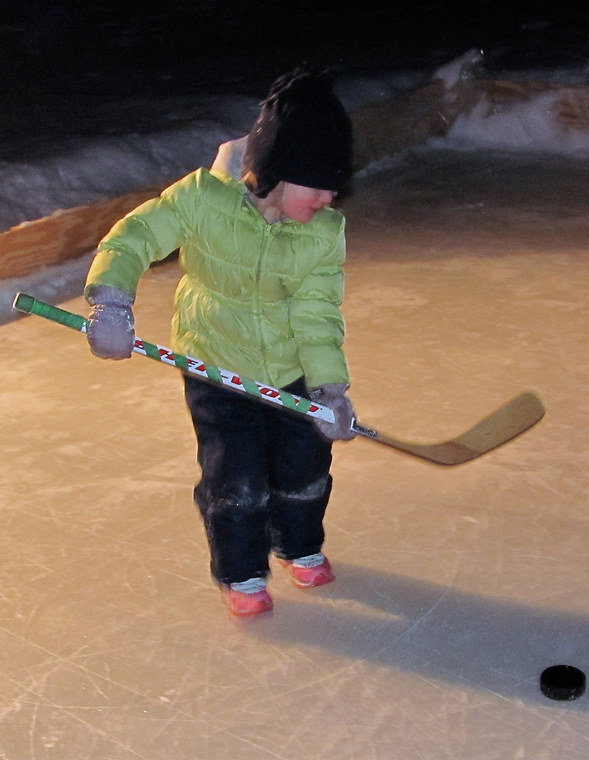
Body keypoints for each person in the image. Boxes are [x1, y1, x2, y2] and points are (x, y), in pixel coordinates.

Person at [82, 66, 357, 617]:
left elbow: (317, 312)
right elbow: (134, 236)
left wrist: (329, 389)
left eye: (336, 184)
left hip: (289, 370)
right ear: (281, 170)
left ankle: (298, 544)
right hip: (217, 369)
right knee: (237, 477)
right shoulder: (200, 200)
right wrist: (111, 299)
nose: (331, 196)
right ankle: (242, 572)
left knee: (306, 466)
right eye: (322, 181)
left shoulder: (322, 234)